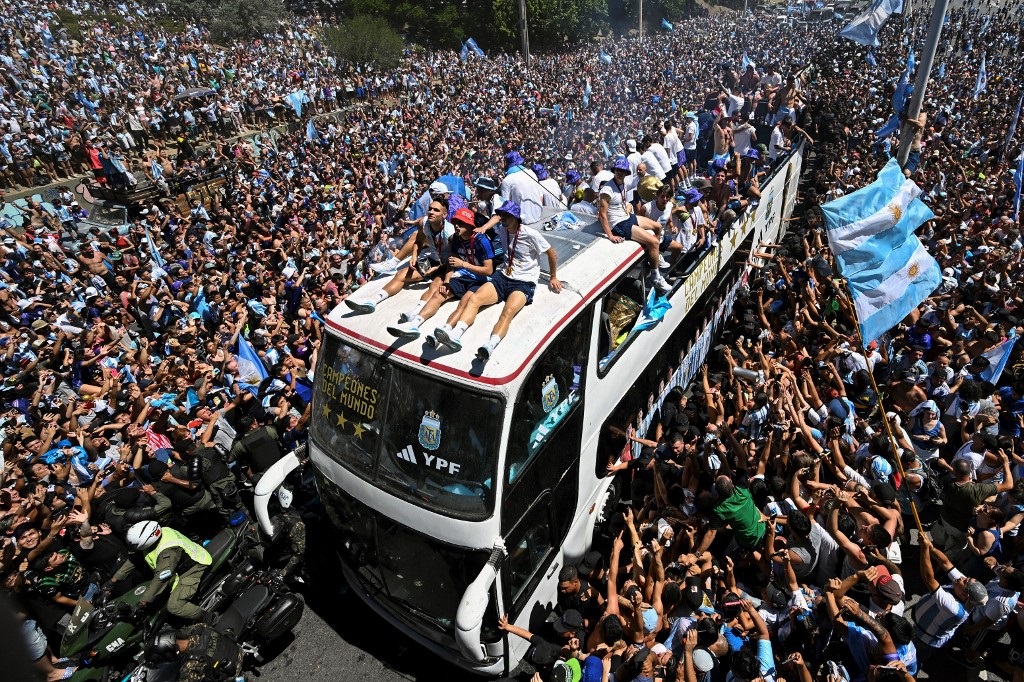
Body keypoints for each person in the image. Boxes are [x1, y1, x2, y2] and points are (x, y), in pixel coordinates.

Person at [432, 201, 561, 360]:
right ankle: (456, 335)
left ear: (515, 217)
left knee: (507, 312)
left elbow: (551, 253)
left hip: (523, 282)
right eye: (502, 215)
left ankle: (490, 345)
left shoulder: (530, 234)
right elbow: (495, 218)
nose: (503, 218)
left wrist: (553, 276)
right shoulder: (502, 229)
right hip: (503, 277)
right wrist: (485, 227)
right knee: (475, 299)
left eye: (507, 215)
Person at [386, 206, 495, 339]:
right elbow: (451, 262)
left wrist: (463, 264)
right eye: (455, 223)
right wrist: (447, 281)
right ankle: (414, 324)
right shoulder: (456, 238)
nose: (456, 226)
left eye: (460, 223)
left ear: (469, 225)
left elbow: (489, 270)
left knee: (464, 303)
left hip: (480, 280)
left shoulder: (481, 241)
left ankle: (448, 332)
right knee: (439, 294)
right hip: (463, 275)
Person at [345, 198, 454, 313]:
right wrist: (414, 256)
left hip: (448, 266)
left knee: (436, 285)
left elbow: (456, 258)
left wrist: (437, 269)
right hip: (434, 260)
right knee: (401, 274)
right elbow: (419, 241)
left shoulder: (450, 233)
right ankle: (372, 300)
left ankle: (415, 314)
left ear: (444, 215)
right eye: (430, 209)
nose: (431, 212)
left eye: (436, 210)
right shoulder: (424, 222)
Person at [107, 521, 212, 621]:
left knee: (174, 606)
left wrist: (142, 603)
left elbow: (161, 578)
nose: (134, 548)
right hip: (181, 563)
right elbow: (134, 559)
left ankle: (207, 617)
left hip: (192, 569)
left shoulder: (167, 553)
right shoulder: (160, 532)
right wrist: (112, 581)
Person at [597, 158, 672, 294]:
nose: (620, 172)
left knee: (657, 227)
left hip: (627, 217)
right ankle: (655, 276)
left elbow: (637, 183)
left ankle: (656, 255)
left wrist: (628, 206)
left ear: (626, 172)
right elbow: (602, 214)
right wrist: (611, 235)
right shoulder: (607, 189)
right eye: (618, 170)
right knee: (654, 241)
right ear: (614, 171)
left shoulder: (623, 182)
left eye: (622, 170)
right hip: (619, 224)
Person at [912, 533, 988, 666]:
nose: (961, 577)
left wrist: (923, 549)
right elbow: (946, 563)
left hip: (923, 640)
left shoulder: (953, 608)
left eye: (965, 581)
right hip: (920, 629)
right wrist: (931, 547)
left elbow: (928, 578)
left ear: (965, 595)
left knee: (912, 660)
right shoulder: (964, 590)